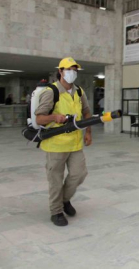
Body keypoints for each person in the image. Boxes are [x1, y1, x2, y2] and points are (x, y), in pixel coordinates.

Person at [35, 57, 92, 227]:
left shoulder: (79, 92)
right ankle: (56, 211)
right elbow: (39, 118)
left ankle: (65, 200)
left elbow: (87, 112)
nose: (72, 73)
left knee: (79, 174)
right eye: (68, 69)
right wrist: (54, 117)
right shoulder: (51, 92)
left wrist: (88, 132)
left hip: (75, 143)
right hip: (56, 145)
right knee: (55, 180)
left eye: (74, 70)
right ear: (60, 71)